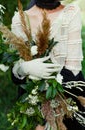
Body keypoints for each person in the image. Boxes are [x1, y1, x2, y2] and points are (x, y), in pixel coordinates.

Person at [11, 0, 85, 130]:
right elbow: (16, 76)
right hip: (31, 99)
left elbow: (73, 71)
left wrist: (42, 76)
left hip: (68, 95)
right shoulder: (20, 19)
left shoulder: (70, 13)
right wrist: (24, 69)